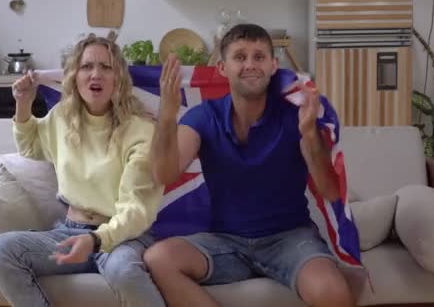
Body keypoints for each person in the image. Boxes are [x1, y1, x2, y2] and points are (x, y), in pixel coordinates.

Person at [145, 24, 355, 307]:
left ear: (273, 65)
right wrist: (167, 118)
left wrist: (309, 134)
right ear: (222, 67)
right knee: (158, 258)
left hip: (290, 238)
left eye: (259, 57)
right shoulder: (204, 116)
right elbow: (164, 173)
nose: (250, 65)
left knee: (334, 292)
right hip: (226, 242)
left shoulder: (297, 114)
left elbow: (329, 190)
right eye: (240, 57)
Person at [0, 34, 166, 307]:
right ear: (74, 76)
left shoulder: (141, 129)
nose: (96, 75)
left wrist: (95, 240)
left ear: (119, 78)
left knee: (124, 271)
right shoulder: (62, 116)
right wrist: (23, 103)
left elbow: (137, 210)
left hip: (122, 237)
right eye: (86, 67)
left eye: (106, 67)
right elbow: (31, 146)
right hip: (69, 231)